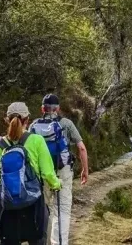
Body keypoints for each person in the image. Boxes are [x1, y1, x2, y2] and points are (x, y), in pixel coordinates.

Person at [0, 102, 61, 245]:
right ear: (27, 120)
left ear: (7, 120)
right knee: (38, 239)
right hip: (34, 205)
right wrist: (57, 184)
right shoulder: (37, 140)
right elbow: (48, 174)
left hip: (8, 207)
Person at [30, 94, 89, 245]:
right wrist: (85, 170)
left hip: (42, 174)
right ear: (58, 109)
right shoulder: (66, 123)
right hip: (63, 171)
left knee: (45, 210)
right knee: (62, 209)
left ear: (42, 109)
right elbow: (81, 148)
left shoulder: (34, 125)